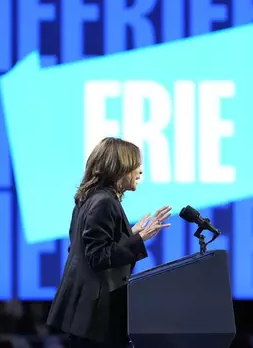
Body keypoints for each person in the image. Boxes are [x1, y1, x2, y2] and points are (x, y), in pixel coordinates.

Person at [46, 137, 172, 348]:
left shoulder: (92, 198)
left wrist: (131, 234)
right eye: (135, 163)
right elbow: (97, 256)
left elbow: (85, 247)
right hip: (96, 317)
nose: (140, 170)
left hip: (88, 316)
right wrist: (139, 239)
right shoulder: (104, 201)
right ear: (119, 167)